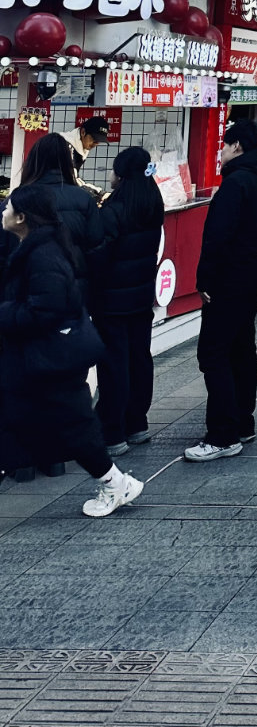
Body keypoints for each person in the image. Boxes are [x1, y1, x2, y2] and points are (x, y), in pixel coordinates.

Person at [0, 185, 143, 516]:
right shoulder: (35, 246)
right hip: (41, 359)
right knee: (44, 424)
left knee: (75, 428)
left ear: (22, 217)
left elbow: (46, 308)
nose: (3, 212)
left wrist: (3, 313)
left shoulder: (42, 254)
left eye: (7, 208)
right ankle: (114, 482)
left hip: (51, 360)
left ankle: (115, 483)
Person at [185, 119, 257, 462]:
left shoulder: (235, 183)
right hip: (251, 273)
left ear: (237, 146)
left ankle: (222, 434)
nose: (221, 151)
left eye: (225, 145)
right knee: (241, 348)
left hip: (227, 277)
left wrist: (205, 280)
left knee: (213, 353)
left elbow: (217, 238)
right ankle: (242, 421)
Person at [91, 147, 165, 455]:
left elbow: (99, 255)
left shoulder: (114, 210)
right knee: (139, 359)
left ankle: (113, 432)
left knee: (114, 365)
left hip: (113, 300)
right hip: (140, 297)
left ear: (121, 174)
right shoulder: (152, 203)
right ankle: (137, 424)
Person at [13, 135, 102, 275]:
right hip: (74, 283)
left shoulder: (16, 199)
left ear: (33, 161)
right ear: (68, 162)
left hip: (28, 283)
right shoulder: (85, 199)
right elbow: (96, 245)